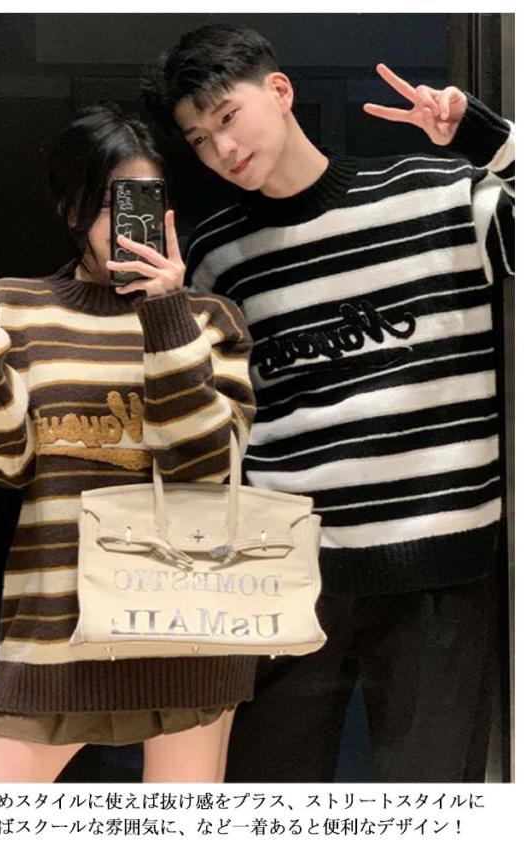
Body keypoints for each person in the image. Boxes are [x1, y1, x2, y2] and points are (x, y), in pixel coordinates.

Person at [142, 23, 514, 782]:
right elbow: (209, 420)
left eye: (227, 116)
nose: (221, 148)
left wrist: (487, 138)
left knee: (430, 810)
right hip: (283, 577)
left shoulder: (438, 196)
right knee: (269, 803)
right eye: (200, 139)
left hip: (439, 574)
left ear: (279, 91)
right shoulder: (218, 259)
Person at [0, 101, 257, 783]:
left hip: (188, 632)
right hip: (54, 633)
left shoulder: (208, 319)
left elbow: (206, 467)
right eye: (111, 204)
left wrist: (165, 314)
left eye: (145, 202)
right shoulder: (15, 307)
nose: (129, 224)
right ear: (72, 209)